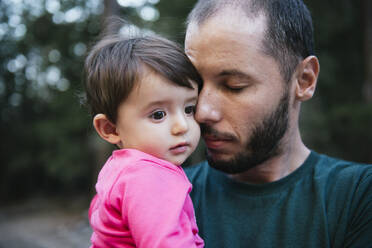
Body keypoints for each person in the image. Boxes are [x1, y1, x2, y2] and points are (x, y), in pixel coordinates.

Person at [183, 0, 372, 247]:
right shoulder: (165, 197)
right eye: (195, 83)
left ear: (304, 80)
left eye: (234, 86)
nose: (202, 112)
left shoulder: (357, 196)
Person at [83, 32, 204, 247]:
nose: (183, 126)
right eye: (158, 115)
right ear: (110, 128)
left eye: (189, 109)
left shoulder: (119, 170)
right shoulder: (149, 177)